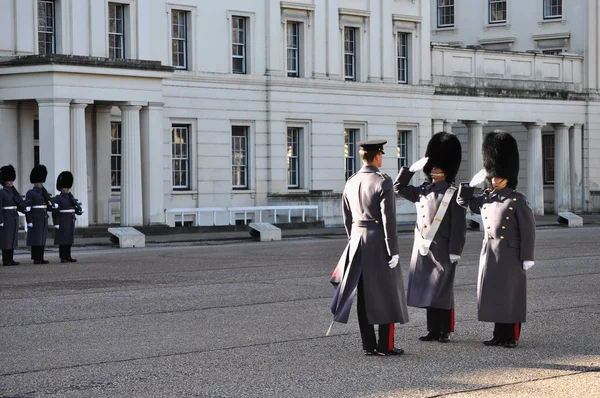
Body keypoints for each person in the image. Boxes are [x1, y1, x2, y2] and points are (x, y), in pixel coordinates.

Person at [457, 130, 536, 348]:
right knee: (493, 294)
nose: (494, 178)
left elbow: (528, 230)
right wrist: (469, 185)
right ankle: (498, 334)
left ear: (507, 176)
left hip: (510, 253)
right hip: (490, 251)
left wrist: (527, 257)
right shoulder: (487, 197)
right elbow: (464, 203)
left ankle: (510, 336)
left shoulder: (517, 200)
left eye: (498, 176)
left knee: (510, 295)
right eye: (493, 175)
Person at [329, 139, 409, 356]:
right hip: (378, 243)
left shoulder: (351, 181)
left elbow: (346, 217)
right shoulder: (383, 181)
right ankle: (386, 345)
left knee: (363, 294)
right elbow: (388, 221)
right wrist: (393, 250)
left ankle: (369, 345)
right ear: (377, 156)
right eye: (382, 154)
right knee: (387, 294)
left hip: (356, 241)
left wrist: (352, 240)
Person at [393, 132, 466, 343]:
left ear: (446, 168)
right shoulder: (423, 190)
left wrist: (455, 250)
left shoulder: (453, 193)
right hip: (424, 247)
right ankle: (433, 330)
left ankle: (445, 330)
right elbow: (399, 189)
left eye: (437, 165)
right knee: (428, 290)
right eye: (432, 165)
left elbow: (459, 226)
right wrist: (409, 171)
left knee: (442, 291)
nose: (433, 169)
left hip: (442, 248)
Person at [0, 165, 31, 266]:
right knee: (6, 239)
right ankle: (6, 259)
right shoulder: (2, 192)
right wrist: (1, 220)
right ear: (4, 181)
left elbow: (18, 204)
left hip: (13, 216)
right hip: (6, 217)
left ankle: (11, 259)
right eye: (8, 180)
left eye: (11, 180)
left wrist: (25, 208)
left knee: (13, 239)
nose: (10, 182)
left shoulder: (13, 192)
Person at [26, 165, 55, 264]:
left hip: (43, 217)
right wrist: (29, 220)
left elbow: (47, 205)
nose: (41, 184)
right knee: (36, 238)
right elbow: (28, 208)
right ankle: (36, 258)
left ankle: (41, 257)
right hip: (36, 218)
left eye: (41, 182)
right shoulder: (31, 193)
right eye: (39, 182)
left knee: (42, 238)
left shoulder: (43, 193)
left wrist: (54, 207)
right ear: (35, 182)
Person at [52, 171, 84, 263]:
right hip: (62, 221)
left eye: (67, 187)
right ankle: (63, 257)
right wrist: (56, 223)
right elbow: (55, 212)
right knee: (63, 240)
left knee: (69, 239)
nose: (67, 189)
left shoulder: (71, 198)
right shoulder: (58, 198)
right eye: (65, 187)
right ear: (61, 188)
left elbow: (75, 209)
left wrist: (80, 210)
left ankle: (68, 256)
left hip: (70, 220)